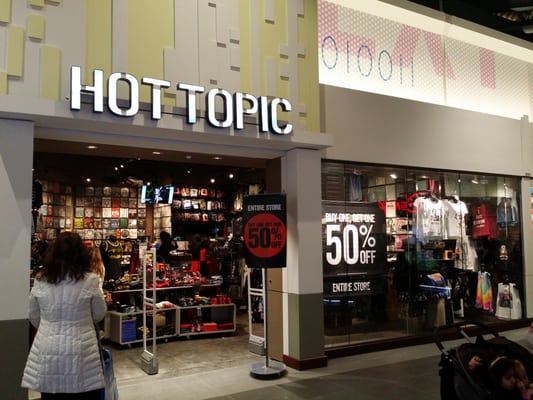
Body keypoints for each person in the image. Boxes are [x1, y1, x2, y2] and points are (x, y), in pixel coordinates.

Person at [21, 231, 107, 399]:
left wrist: (48, 326)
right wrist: (84, 322)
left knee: (51, 394)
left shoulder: (41, 279)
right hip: (82, 349)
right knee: (85, 393)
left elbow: (33, 315)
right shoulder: (90, 280)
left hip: (48, 348)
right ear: (81, 254)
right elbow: (99, 313)